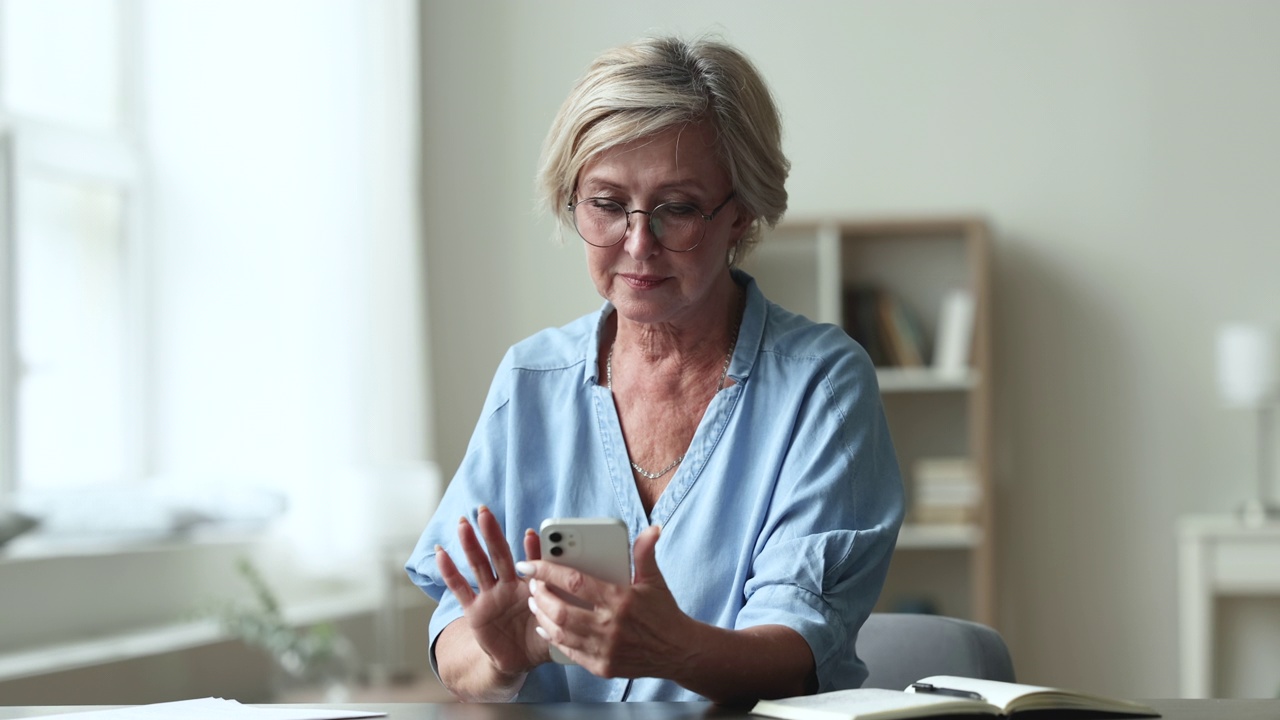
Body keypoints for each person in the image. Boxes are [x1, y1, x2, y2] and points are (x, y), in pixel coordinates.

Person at [405, 35, 903, 704]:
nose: (639, 245)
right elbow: (455, 630)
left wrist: (672, 650)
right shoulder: (530, 380)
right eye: (607, 205)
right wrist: (503, 656)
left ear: (742, 212)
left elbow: (796, 650)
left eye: (677, 209)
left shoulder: (820, 385)